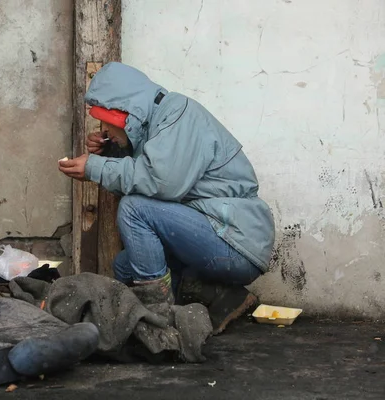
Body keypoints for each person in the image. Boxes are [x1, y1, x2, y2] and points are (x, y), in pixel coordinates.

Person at [58, 62, 275, 334]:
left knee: (133, 210)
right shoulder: (155, 124)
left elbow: (161, 183)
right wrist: (110, 154)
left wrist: (94, 167)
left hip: (236, 240)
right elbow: (146, 183)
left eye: (106, 120)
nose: (102, 128)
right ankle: (225, 297)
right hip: (216, 236)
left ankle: (158, 321)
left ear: (126, 111)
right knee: (124, 268)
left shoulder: (179, 114)